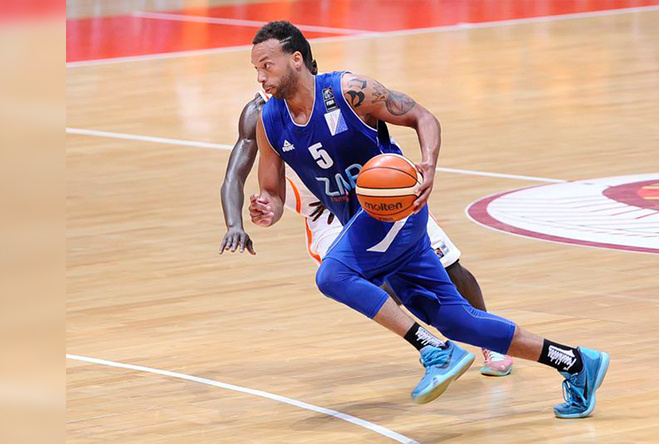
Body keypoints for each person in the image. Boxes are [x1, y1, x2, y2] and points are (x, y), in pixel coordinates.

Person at [248, 20, 609, 416]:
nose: (261, 76)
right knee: (456, 320)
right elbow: (273, 192)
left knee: (332, 275)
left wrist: (430, 167)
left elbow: (423, 117)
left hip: (396, 209)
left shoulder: (349, 91)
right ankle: (576, 362)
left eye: (268, 65)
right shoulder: (269, 123)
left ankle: (434, 351)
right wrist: (268, 208)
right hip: (363, 222)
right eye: (256, 69)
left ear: (296, 59)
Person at [219, 90, 513, 376]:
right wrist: (235, 223)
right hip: (326, 216)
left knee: (449, 265)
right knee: (366, 285)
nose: (264, 77)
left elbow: (412, 117)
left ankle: (490, 341)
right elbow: (234, 174)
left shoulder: (337, 94)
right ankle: (433, 347)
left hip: (377, 196)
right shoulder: (260, 114)